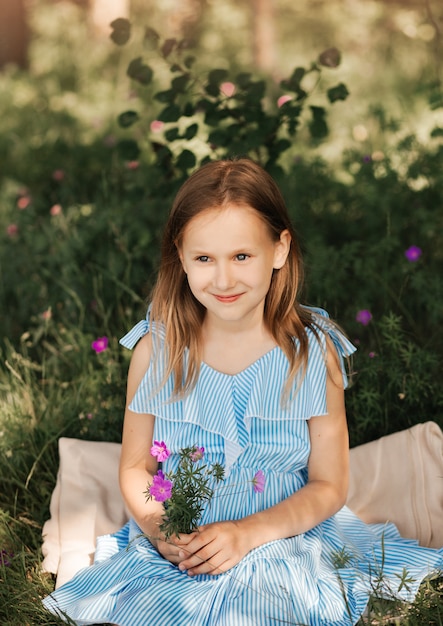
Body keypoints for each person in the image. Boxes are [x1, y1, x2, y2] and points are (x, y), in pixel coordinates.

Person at [43, 158, 442, 626]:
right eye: (205, 259)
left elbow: (330, 484)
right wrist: (160, 530)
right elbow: (136, 466)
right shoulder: (158, 351)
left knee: (260, 610)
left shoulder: (312, 352)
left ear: (279, 250)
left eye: (242, 256)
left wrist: (248, 533)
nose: (224, 279)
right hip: (184, 540)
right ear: (181, 256)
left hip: (282, 533)